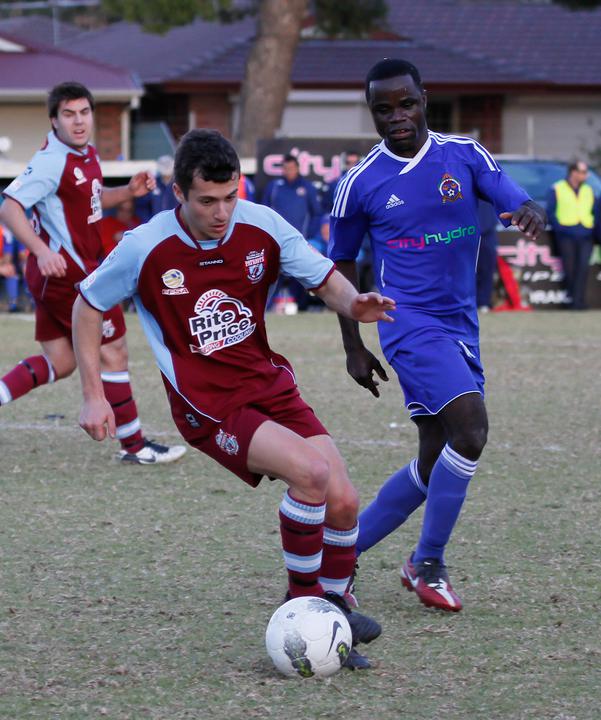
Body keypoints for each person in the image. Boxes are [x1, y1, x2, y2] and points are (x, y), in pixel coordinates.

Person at [72, 128, 395, 668]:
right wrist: (92, 395)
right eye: (206, 201)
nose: (221, 212)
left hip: (267, 382)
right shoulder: (145, 247)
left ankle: (336, 609)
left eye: (230, 197)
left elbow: (322, 279)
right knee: (311, 476)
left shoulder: (261, 223)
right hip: (208, 404)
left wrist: (354, 302)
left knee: (342, 498)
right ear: (178, 193)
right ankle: (303, 607)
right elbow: (87, 305)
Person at [328, 59, 545, 612]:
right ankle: (428, 562)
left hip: (461, 324)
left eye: (406, 103)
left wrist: (522, 206)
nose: (397, 116)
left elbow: (501, 187)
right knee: (470, 430)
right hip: (407, 323)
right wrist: (353, 345)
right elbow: (343, 265)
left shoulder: (464, 154)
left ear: (425, 98)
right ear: (372, 112)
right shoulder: (360, 183)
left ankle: (340, 558)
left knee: (434, 454)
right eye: (384, 109)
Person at [0, 81, 186, 465]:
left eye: (84, 112)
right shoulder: (54, 160)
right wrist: (38, 250)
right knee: (113, 350)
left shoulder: (83, 153)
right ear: (54, 120)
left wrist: (127, 191)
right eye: (68, 114)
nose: (78, 120)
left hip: (61, 272)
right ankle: (134, 446)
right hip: (69, 273)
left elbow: (90, 199)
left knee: (61, 362)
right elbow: (10, 206)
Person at [262, 154, 322, 311]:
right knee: (271, 274)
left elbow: (316, 213)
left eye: (291, 168)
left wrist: (309, 236)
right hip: (275, 241)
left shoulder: (307, 188)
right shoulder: (274, 187)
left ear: (297, 168)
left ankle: (302, 307)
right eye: (285, 168)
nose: (288, 171)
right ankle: (265, 307)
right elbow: (263, 211)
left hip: (300, 240)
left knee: (300, 274)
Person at [547, 160, 596, 310]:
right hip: (566, 233)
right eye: (582, 172)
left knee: (583, 268)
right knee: (569, 268)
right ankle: (573, 300)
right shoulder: (557, 188)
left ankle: (578, 301)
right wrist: (560, 228)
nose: (585, 175)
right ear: (573, 172)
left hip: (586, 233)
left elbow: (594, 211)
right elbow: (551, 212)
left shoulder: (589, 189)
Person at [134, 154, 178, 223]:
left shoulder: (179, 186)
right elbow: (141, 206)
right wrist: (148, 222)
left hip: (175, 225)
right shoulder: (151, 183)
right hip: (155, 226)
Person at [476, 200, 500, 312]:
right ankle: (469, 300)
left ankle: (484, 301)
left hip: (487, 230)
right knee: (467, 270)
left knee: (487, 268)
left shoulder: (487, 184)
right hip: (466, 231)